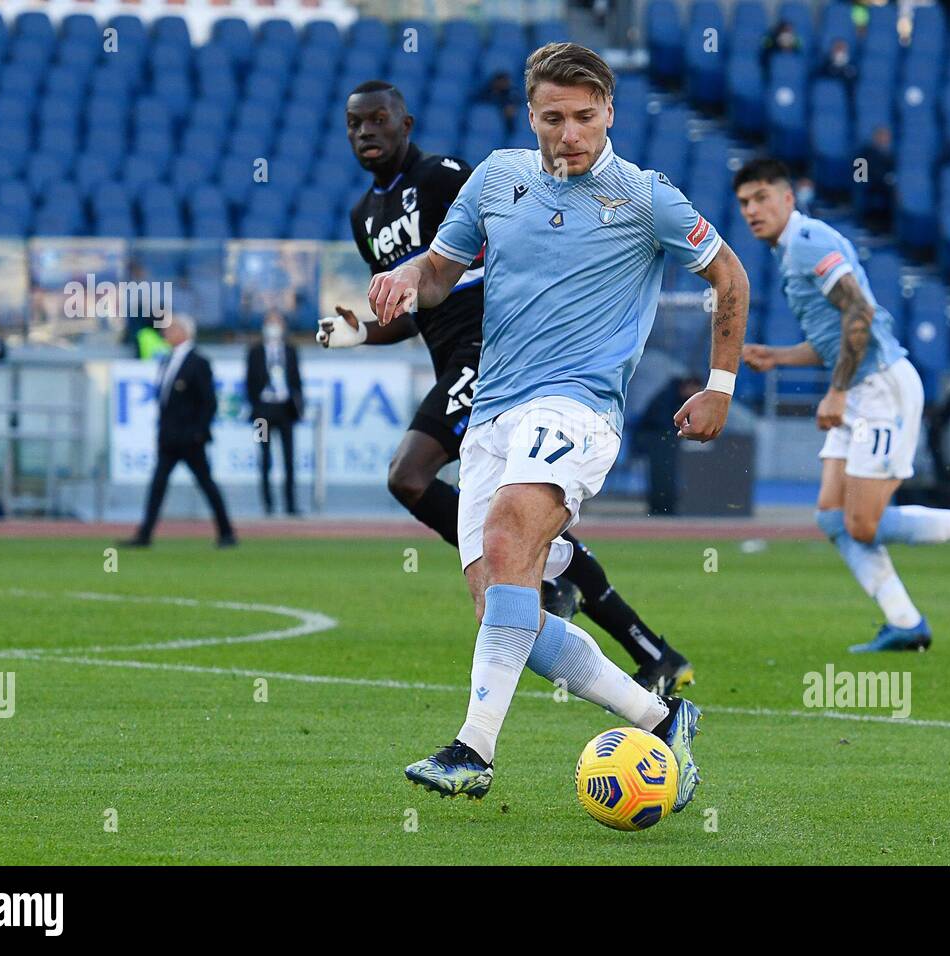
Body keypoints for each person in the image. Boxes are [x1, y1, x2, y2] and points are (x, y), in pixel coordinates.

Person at [358, 43, 750, 805]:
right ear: (530, 116)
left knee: (510, 537)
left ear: (609, 112)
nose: (568, 133)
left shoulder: (647, 197)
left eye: (583, 117)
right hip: (493, 414)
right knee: (507, 607)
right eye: (552, 118)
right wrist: (408, 278)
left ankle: (472, 749)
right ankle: (662, 715)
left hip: (579, 405)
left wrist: (721, 385)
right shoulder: (496, 179)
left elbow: (727, 274)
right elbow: (441, 272)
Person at [319, 79, 696, 695]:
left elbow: (502, 245)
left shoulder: (444, 178)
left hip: (493, 354)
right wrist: (361, 332)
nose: (367, 132)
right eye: (355, 123)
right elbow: (412, 307)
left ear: (405, 124)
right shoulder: (365, 217)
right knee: (512, 517)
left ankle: (546, 580)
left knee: (409, 475)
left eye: (378, 120)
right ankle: (641, 644)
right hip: (453, 361)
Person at [736, 158, 950, 653]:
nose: (752, 210)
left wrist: (836, 390)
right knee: (832, 518)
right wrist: (781, 356)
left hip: (879, 387)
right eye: (745, 202)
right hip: (858, 384)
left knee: (863, 523)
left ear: (788, 198)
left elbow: (861, 312)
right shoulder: (790, 251)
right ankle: (905, 621)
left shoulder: (809, 241)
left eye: (763, 197)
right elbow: (838, 336)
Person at [122, 315, 236, 548]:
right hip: (168, 438)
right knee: (157, 486)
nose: (166, 332)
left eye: (171, 328)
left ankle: (226, 532)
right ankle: (144, 535)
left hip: (190, 439)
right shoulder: (167, 360)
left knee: (206, 484)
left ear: (185, 332)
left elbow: (208, 403)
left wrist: (198, 433)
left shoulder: (198, 362)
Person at [245, 310, 303, 516]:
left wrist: (298, 407)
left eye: (276, 322)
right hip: (263, 412)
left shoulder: (290, 351)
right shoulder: (255, 352)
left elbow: (297, 381)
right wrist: (256, 406)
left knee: (289, 459)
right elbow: (249, 383)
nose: (273, 326)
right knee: (265, 458)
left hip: (285, 410)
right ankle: (268, 505)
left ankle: (290, 504)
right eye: (269, 322)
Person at [634, 374, 702, 515]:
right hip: (657, 440)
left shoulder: (676, 396)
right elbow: (659, 421)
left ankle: (665, 507)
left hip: (663, 440)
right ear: (687, 386)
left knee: (666, 475)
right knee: (661, 475)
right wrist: (672, 435)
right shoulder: (667, 396)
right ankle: (660, 508)